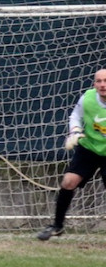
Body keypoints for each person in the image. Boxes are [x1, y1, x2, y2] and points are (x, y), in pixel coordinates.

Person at [37, 68, 106, 240]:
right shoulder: (88, 98)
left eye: (105, 81)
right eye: (99, 81)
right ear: (94, 83)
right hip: (89, 148)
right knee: (68, 182)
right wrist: (75, 131)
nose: (102, 85)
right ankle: (57, 226)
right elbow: (75, 115)